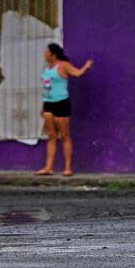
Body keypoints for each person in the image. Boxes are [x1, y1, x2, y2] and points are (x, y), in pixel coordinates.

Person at [36, 43, 93, 177]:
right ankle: (49, 167)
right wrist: (43, 106)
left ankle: (68, 168)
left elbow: (77, 73)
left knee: (65, 136)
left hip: (62, 103)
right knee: (51, 136)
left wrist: (86, 67)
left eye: (46, 52)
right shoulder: (47, 69)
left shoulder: (63, 65)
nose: (45, 54)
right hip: (49, 104)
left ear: (53, 54)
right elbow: (46, 88)